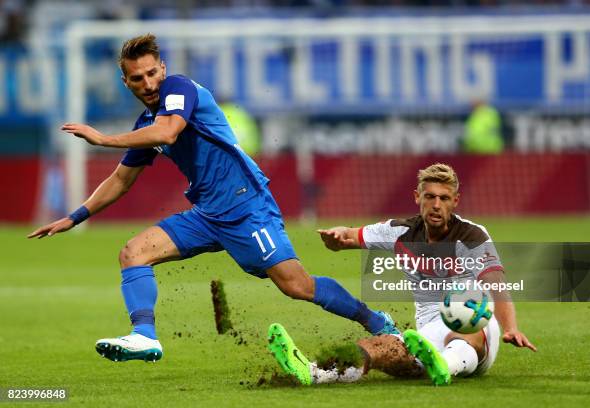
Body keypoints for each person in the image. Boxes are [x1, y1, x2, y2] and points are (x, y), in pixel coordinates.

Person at [27, 33, 399, 363]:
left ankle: (378, 322)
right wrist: (73, 217)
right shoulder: (146, 125)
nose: (148, 83)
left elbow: (171, 132)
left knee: (296, 286)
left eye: (152, 73)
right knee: (133, 253)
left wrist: (105, 139)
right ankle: (144, 336)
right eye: (137, 78)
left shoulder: (179, 88)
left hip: (247, 206)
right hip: (207, 214)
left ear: (163, 68)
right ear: (126, 82)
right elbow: (121, 180)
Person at [269, 163, 536, 385]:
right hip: (427, 334)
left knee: (464, 325)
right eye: (429, 196)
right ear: (417, 197)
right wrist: (338, 237)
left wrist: (511, 328)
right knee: (378, 347)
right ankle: (314, 373)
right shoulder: (400, 232)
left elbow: (496, 284)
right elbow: (352, 235)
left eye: (444, 198)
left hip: (476, 327)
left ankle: (445, 364)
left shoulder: (472, 236)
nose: (436, 205)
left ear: (455, 201)